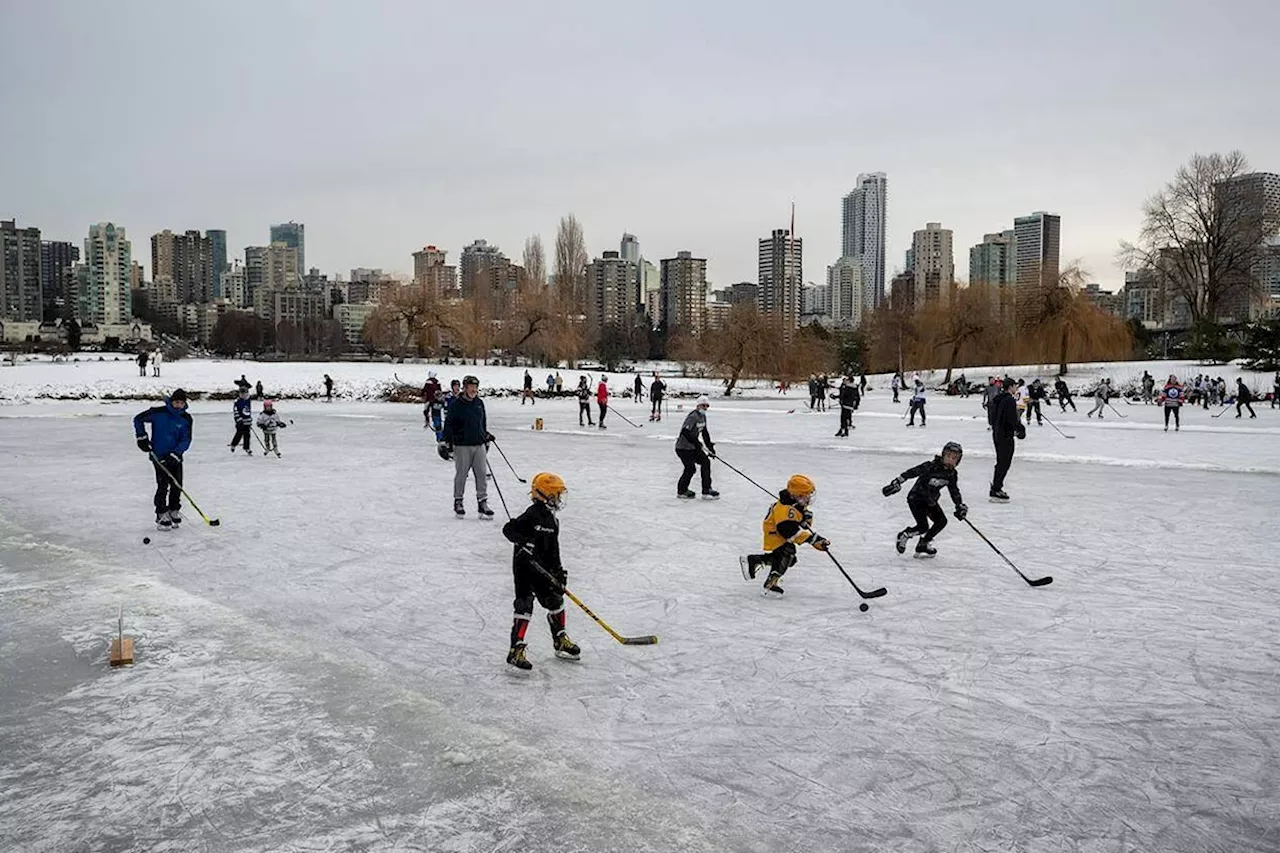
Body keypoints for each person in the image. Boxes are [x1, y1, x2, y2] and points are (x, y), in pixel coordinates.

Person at [501, 471, 578, 670]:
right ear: (543, 495)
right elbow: (508, 530)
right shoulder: (532, 514)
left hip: (543, 568)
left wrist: (558, 572)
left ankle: (560, 639)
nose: (558, 499)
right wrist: (522, 541)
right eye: (555, 495)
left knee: (555, 600)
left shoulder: (553, 521)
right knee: (524, 605)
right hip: (524, 567)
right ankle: (515, 651)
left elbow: (554, 549)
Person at [739, 474, 828, 597]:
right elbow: (788, 530)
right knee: (786, 553)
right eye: (805, 495)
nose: (808, 499)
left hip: (782, 530)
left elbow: (799, 516)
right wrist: (812, 539)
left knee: (789, 560)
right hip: (775, 532)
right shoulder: (785, 509)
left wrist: (805, 517)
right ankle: (770, 585)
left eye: (809, 495)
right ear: (795, 495)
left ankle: (754, 561)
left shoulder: (795, 502)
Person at [882, 441, 967, 559]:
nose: (950, 460)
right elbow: (912, 472)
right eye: (948, 456)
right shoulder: (930, 466)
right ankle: (904, 535)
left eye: (954, 458)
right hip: (916, 498)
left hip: (931, 501)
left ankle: (923, 544)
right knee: (923, 527)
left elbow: (954, 491)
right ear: (943, 455)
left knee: (941, 521)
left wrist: (959, 505)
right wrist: (897, 481)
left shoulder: (951, 474)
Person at [133, 388, 192, 530]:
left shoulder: (186, 418)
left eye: (181, 403)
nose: (178, 405)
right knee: (163, 484)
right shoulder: (158, 413)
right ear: (171, 401)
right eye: (176, 402)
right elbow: (138, 419)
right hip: (158, 456)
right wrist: (141, 437)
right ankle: (161, 513)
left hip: (176, 456)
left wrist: (176, 454)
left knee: (177, 484)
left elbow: (186, 439)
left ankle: (173, 510)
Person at [444, 375, 494, 518]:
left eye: (476, 387)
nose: (474, 390)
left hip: (478, 444)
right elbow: (449, 424)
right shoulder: (456, 405)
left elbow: (482, 423)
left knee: (481, 475)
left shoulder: (479, 403)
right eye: (471, 387)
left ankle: (482, 503)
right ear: (465, 388)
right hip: (462, 445)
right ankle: (458, 501)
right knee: (461, 475)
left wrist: (485, 435)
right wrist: (446, 442)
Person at [989, 377, 1025, 502]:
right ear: (1010, 387)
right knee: (1004, 462)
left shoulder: (998, 399)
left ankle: (996, 486)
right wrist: (1020, 429)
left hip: (997, 433)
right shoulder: (1009, 400)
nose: (1016, 388)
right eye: (1015, 386)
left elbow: (992, 417)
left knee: (1001, 461)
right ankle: (996, 488)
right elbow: (1012, 419)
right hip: (1005, 436)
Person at [675, 395, 717, 499]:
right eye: (703, 406)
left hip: (693, 447)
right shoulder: (693, 416)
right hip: (683, 448)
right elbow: (685, 432)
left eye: (707, 406)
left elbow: (705, 433)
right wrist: (696, 443)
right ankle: (682, 491)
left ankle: (706, 490)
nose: (705, 408)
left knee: (706, 462)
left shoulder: (703, 417)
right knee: (690, 468)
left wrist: (710, 447)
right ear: (698, 406)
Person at [228, 388, 253, 455]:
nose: (243, 395)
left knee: (247, 435)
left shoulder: (248, 400)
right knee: (239, 434)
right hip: (240, 422)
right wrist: (239, 420)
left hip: (247, 421)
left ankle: (247, 448)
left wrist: (250, 420)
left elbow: (248, 411)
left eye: (245, 393)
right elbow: (236, 412)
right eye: (242, 394)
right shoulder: (237, 402)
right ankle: (233, 444)